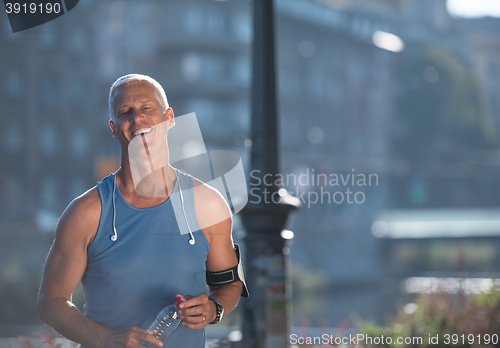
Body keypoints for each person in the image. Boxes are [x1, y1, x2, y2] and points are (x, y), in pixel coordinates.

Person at [37, 74, 247, 348]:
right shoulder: (88, 212)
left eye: (147, 108)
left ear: (169, 118)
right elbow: (50, 302)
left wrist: (214, 309)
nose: (137, 119)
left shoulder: (207, 204)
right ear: (114, 128)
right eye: (125, 112)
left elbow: (230, 284)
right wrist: (106, 339)